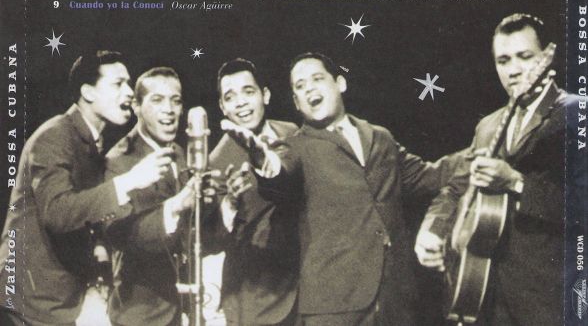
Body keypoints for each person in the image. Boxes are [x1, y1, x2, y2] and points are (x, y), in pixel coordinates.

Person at [229, 52, 457, 326]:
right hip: (333, 309)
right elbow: (280, 176)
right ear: (296, 103)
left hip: (395, 302)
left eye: (317, 79)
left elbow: (430, 176)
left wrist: (483, 148)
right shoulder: (294, 147)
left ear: (340, 83)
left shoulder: (380, 137)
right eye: (300, 86)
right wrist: (265, 163)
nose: (309, 88)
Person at [415, 13, 569, 325]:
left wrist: (516, 182)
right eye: (503, 60)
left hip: (548, 299)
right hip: (482, 295)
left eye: (525, 56)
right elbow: (455, 188)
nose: (514, 70)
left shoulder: (576, 114)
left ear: (546, 58)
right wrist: (432, 230)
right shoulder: (488, 126)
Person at [0, 51, 174, 326]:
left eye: (128, 83)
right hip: (30, 303)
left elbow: (88, 212)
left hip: (57, 302)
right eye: (118, 83)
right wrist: (130, 180)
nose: (129, 92)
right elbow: (58, 213)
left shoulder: (90, 142)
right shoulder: (54, 136)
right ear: (88, 92)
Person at [105, 66, 203, 326]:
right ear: (136, 106)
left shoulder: (180, 153)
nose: (169, 109)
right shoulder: (118, 161)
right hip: (138, 315)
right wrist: (175, 207)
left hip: (176, 308)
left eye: (176, 100)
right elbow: (121, 236)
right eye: (157, 100)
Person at [210, 58, 299, 326]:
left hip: (302, 290)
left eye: (248, 92)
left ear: (265, 95)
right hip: (255, 304)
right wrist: (229, 203)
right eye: (230, 97)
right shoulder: (216, 162)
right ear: (222, 107)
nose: (241, 103)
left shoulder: (291, 132)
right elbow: (214, 238)